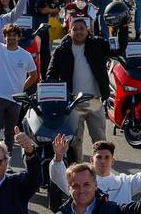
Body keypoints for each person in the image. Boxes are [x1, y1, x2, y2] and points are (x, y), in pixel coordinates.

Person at [46, 14, 109, 155]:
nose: (79, 31)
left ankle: (101, 174)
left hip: (94, 101)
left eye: (82, 28)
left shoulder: (97, 45)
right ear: (69, 31)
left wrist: (122, 27)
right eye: (75, 29)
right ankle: (77, 173)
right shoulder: (61, 50)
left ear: (88, 30)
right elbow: (50, 75)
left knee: (100, 142)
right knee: (75, 142)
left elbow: (118, 49)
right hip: (73, 104)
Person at [0, 6, 37, 151]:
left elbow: (34, 76)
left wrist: (21, 89)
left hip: (15, 100)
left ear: (19, 37)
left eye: (14, 35)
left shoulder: (25, 55)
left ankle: (7, 162)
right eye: (8, 35)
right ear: (4, 37)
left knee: (10, 134)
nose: (11, 37)